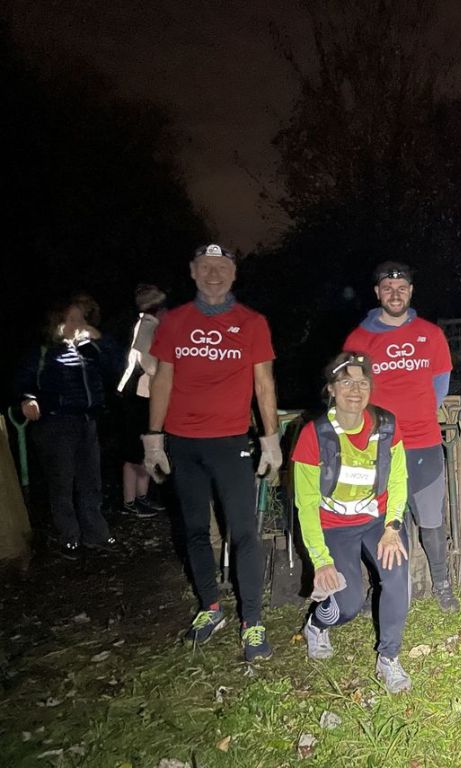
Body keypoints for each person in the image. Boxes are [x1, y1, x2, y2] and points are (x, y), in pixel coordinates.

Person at [142, 243, 283, 662]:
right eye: (206, 267)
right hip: (183, 443)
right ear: (193, 270)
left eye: (222, 267)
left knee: (243, 533)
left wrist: (270, 438)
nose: (214, 274)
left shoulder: (252, 322)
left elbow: (264, 385)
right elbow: (162, 381)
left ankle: (252, 620)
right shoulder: (173, 322)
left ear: (233, 274)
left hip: (230, 442)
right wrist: (153, 437)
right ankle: (210, 607)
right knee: (195, 530)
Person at [292, 352, 412, 693]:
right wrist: (321, 561)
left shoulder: (386, 426)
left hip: (375, 521)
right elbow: (307, 504)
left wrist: (393, 527)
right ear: (331, 389)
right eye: (346, 382)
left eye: (362, 382)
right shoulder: (314, 436)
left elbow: (399, 479)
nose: (355, 390)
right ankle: (317, 624)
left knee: (397, 574)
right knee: (347, 605)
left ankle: (388, 658)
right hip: (333, 526)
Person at [343, 261, 458, 613]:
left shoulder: (430, 334)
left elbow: (440, 383)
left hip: (423, 444)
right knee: (381, 523)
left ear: (410, 291)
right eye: (388, 288)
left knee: (431, 521)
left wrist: (420, 415)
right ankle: (384, 589)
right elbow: (351, 390)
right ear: (377, 292)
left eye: (402, 287)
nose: (395, 294)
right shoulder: (359, 339)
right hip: (380, 446)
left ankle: (442, 585)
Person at [15, 294, 119, 559]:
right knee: (62, 481)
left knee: (91, 481)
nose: (77, 323)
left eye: (81, 318)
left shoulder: (90, 349)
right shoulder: (44, 351)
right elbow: (24, 380)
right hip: (56, 422)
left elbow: (117, 366)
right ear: (57, 322)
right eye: (71, 318)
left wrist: (99, 339)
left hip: (88, 420)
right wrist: (27, 399)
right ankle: (69, 536)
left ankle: (96, 534)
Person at [116, 284, 168, 518]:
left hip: (145, 394)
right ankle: (130, 501)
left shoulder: (151, 324)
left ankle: (142, 497)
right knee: (134, 449)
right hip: (138, 394)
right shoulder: (147, 324)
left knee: (145, 446)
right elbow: (148, 363)